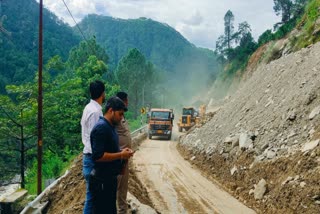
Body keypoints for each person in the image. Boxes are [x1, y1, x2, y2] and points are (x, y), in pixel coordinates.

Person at [90, 96, 134, 214]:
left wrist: (123, 157)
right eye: (120, 114)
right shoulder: (101, 128)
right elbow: (98, 156)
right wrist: (120, 155)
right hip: (101, 181)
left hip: (109, 179)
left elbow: (111, 149)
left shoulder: (111, 127)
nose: (121, 118)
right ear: (111, 111)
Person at [81, 80, 106, 214]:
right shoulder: (96, 112)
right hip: (93, 159)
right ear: (102, 93)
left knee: (93, 197)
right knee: (92, 198)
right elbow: (95, 138)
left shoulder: (88, 108)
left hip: (88, 156)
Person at [115, 92, 132, 214]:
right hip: (119, 158)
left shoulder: (122, 116)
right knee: (119, 187)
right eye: (126, 100)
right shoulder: (115, 118)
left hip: (124, 158)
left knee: (123, 188)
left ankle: (122, 209)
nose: (128, 103)